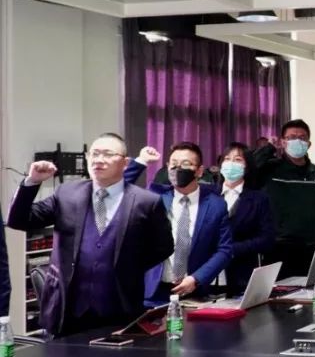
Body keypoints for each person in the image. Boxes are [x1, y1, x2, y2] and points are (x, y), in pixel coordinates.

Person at [7, 133, 173, 336]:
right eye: (94, 154)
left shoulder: (146, 201)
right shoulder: (66, 193)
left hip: (120, 307)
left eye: (107, 154)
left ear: (125, 163)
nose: (98, 160)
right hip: (67, 309)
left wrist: (129, 266)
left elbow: (164, 246)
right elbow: (19, 220)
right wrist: (32, 181)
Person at [124, 143, 233, 306]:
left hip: (195, 292)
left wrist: (197, 278)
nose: (178, 169)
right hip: (154, 292)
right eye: (173, 164)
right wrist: (141, 161)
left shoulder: (216, 205)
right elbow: (118, 190)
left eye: (186, 164)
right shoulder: (155, 195)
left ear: (199, 171)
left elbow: (225, 250)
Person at [253, 119, 315, 278]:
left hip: (311, 247)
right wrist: (269, 148)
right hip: (278, 247)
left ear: (309, 144)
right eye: (292, 137)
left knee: (311, 289)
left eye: (302, 138)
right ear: (283, 142)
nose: (297, 141)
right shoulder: (271, 168)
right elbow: (249, 168)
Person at [217, 143, 276, 296]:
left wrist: (231, 249)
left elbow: (267, 238)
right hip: (209, 276)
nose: (231, 164)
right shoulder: (209, 194)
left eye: (237, 160)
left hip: (242, 274)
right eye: (227, 159)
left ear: (247, 167)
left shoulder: (258, 199)